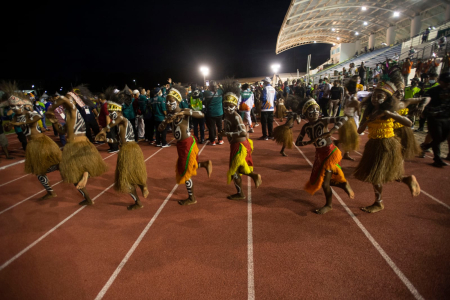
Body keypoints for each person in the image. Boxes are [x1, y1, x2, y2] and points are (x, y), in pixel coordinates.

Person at [354, 75, 420, 213]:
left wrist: (388, 114)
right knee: (380, 174)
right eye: (374, 96)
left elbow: (409, 123)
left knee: (377, 175)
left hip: (386, 145)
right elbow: (359, 130)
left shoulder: (389, 111)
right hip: (373, 144)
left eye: (380, 96)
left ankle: (379, 203)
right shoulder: (369, 110)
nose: (375, 98)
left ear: (387, 98)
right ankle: (406, 180)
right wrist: (368, 120)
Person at [46, 86, 107, 206]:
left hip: (76, 145)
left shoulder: (73, 110)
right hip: (79, 144)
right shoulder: (70, 115)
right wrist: (56, 123)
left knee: (72, 172)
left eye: (69, 99)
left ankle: (85, 175)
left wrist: (50, 109)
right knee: (73, 175)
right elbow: (63, 131)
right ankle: (88, 198)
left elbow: (63, 99)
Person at [295, 99, 354, 214]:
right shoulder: (306, 127)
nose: (315, 112)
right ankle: (343, 184)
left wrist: (332, 131)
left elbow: (344, 118)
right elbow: (297, 142)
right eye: (312, 110)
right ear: (306, 113)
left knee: (324, 183)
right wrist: (309, 141)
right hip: (319, 155)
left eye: (317, 109)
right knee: (324, 180)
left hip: (330, 153)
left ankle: (329, 205)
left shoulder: (323, 121)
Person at [158, 85, 212, 205]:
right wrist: (165, 123)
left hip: (187, 143)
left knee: (184, 170)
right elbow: (160, 129)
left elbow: (201, 114)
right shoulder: (169, 116)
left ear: (177, 102)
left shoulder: (184, 112)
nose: (167, 103)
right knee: (186, 166)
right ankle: (204, 164)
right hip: (180, 145)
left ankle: (192, 198)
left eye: (171, 101)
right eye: (167, 101)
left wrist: (183, 113)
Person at [95, 91, 149, 210]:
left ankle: (138, 202)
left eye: (111, 112)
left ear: (117, 110)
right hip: (132, 149)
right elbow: (117, 142)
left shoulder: (122, 120)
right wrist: (106, 139)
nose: (109, 115)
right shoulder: (121, 124)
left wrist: (104, 129)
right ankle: (143, 186)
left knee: (125, 180)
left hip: (127, 152)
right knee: (135, 173)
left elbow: (117, 120)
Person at [7, 94, 62, 200]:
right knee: (38, 170)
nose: (15, 108)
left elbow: (38, 117)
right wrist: (8, 125)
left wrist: (21, 122)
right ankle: (50, 191)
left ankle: (73, 177)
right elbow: (9, 128)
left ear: (22, 105)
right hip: (32, 145)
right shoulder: (15, 117)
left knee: (56, 162)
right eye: (12, 107)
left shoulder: (30, 113)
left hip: (42, 142)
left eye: (17, 105)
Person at [218, 80, 261, 200]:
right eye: (225, 105)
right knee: (240, 168)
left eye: (230, 106)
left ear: (235, 106)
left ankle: (240, 193)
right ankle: (254, 176)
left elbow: (243, 132)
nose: (228, 108)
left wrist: (227, 133)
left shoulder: (236, 116)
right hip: (237, 145)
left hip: (240, 145)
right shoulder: (227, 116)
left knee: (234, 171)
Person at [420, 72, 450, 167]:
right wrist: (423, 107)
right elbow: (426, 98)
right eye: (446, 82)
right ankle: (437, 159)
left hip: (446, 117)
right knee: (437, 137)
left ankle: (424, 147)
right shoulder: (433, 91)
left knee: (443, 138)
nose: (448, 83)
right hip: (434, 117)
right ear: (441, 81)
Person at [204, 80, 224, 146]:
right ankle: (220, 140)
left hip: (211, 113)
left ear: (210, 86)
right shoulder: (220, 92)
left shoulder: (206, 93)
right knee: (220, 127)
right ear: (216, 86)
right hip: (219, 112)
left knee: (212, 127)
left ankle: (213, 141)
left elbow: (204, 101)